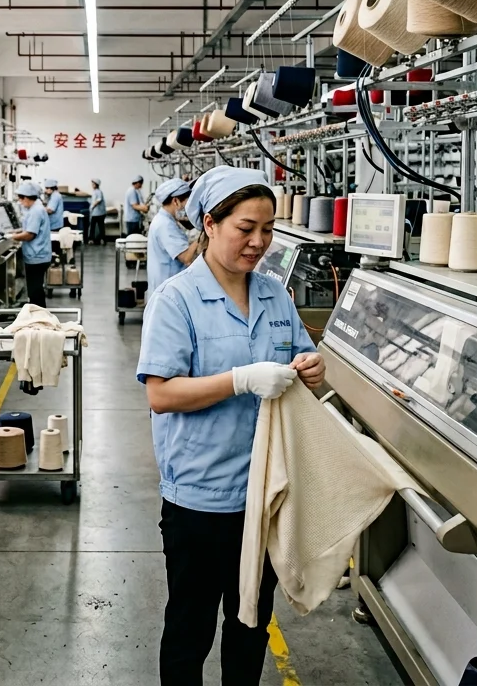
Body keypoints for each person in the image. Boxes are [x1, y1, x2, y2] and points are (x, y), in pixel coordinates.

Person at [136, 166, 326, 685]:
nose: (258, 242)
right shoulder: (176, 300)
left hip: (262, 494)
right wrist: (239, 379)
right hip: (200, 498)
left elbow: (304, 358)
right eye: (246, 228)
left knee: (250, 624)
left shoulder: (273, 295)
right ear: (210, 224)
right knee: (190, 628)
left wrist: (311, 368)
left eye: (267, 230)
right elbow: (161, 394)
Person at [146, 178, 199, 293]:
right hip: (168, 289)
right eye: (186, 203)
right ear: (175, 201)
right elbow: (186, 257)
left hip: (166, 285)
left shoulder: (166, 220)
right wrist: (202, 237)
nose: (187, 208)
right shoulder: (165, 225)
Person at [10, 180, 52, 307]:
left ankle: (39, 317)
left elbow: (29, 234)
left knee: (35, 291)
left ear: (27, 197)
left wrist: (12, 237)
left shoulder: (36, 211)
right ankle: (38, 314)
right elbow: (28, 228)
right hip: (38, 255)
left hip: (37, 257)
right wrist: (15, 231)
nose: (20, 202)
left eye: (21, 198)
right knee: (35, 288)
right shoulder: (35, 209)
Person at [88, 178, 106, 245]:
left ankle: (102, 239)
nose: (92, 185)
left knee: (100, 226)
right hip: (95, 213)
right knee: (92, 226)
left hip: (99, 213)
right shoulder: (94, 191)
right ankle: (91, 239)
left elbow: (99, 200)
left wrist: (93, 206)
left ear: (96, 185)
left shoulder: (99, 192)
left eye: (93, 184)